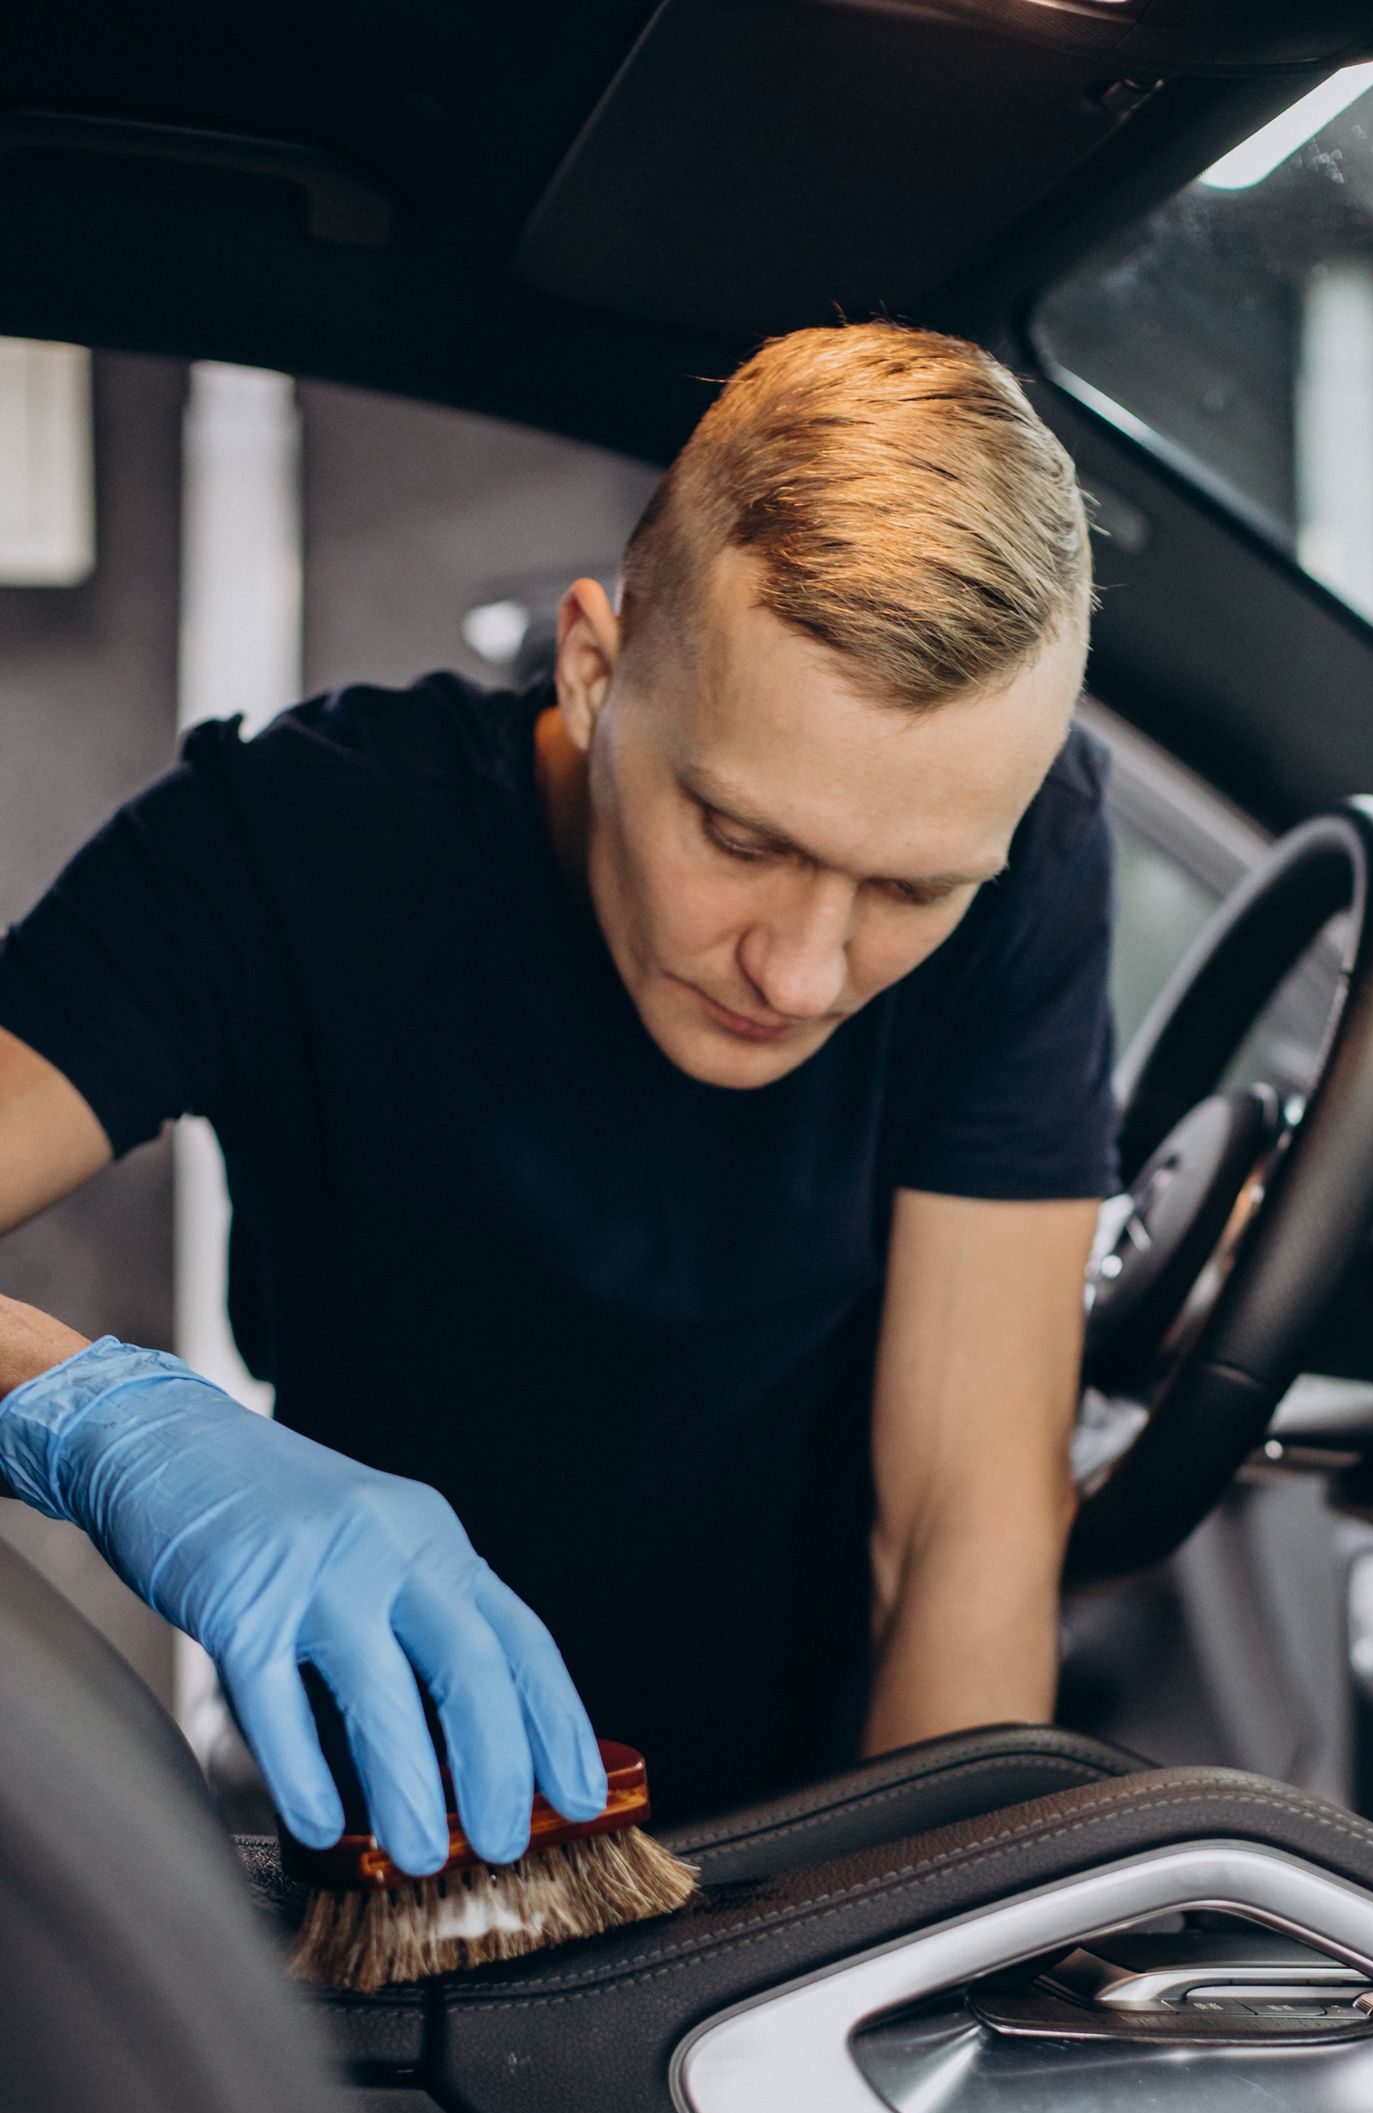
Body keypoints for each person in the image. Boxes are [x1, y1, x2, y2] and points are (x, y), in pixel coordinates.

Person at [0, 323, 1116, 1871]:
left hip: (800, 1829)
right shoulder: (287, 847)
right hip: (378, 1842)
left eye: (913, 890)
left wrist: (926, 1937)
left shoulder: (1031, 857)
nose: (802, 972)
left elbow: (961, 1522)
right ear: (593, 672)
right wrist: (87, 1414)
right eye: (741, 837)